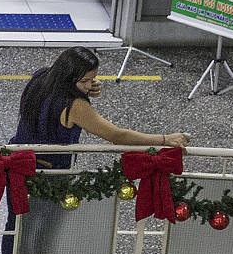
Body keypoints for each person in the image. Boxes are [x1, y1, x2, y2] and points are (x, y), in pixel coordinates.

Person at [14, 46, 192, 166]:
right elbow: (117, 135)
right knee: (44, 223)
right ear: (68, 77)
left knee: (16, 219)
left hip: (19, 161)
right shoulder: (75, 106)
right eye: (84, 81)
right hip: (49, 170)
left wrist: (84, 88)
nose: (90, 85)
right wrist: (165, 139)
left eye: (92, 80)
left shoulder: (41, 76)